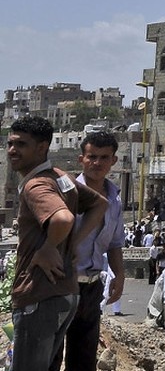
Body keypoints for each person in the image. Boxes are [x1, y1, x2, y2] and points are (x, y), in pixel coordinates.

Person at [7, 115, 106, 371]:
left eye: (21, 144)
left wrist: (50, 247)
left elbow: (62, 219)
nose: (12, 150)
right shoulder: (60, 177)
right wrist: (72, 244)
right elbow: (99, 204)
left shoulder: (36, 184)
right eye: (10, 143)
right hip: (64, 293)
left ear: (41, 148)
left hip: (39, 296)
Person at [55, 129, 127, 371]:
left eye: (104, 157)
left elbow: (115, 242)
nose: (97, 163)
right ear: (81, 160)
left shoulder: (115, 199)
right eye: (92, 156)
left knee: (84, 359)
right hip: (62, 284)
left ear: (113, 161)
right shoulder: (65, 194)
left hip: (92, 287)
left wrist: (120, 275)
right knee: (51, 356)